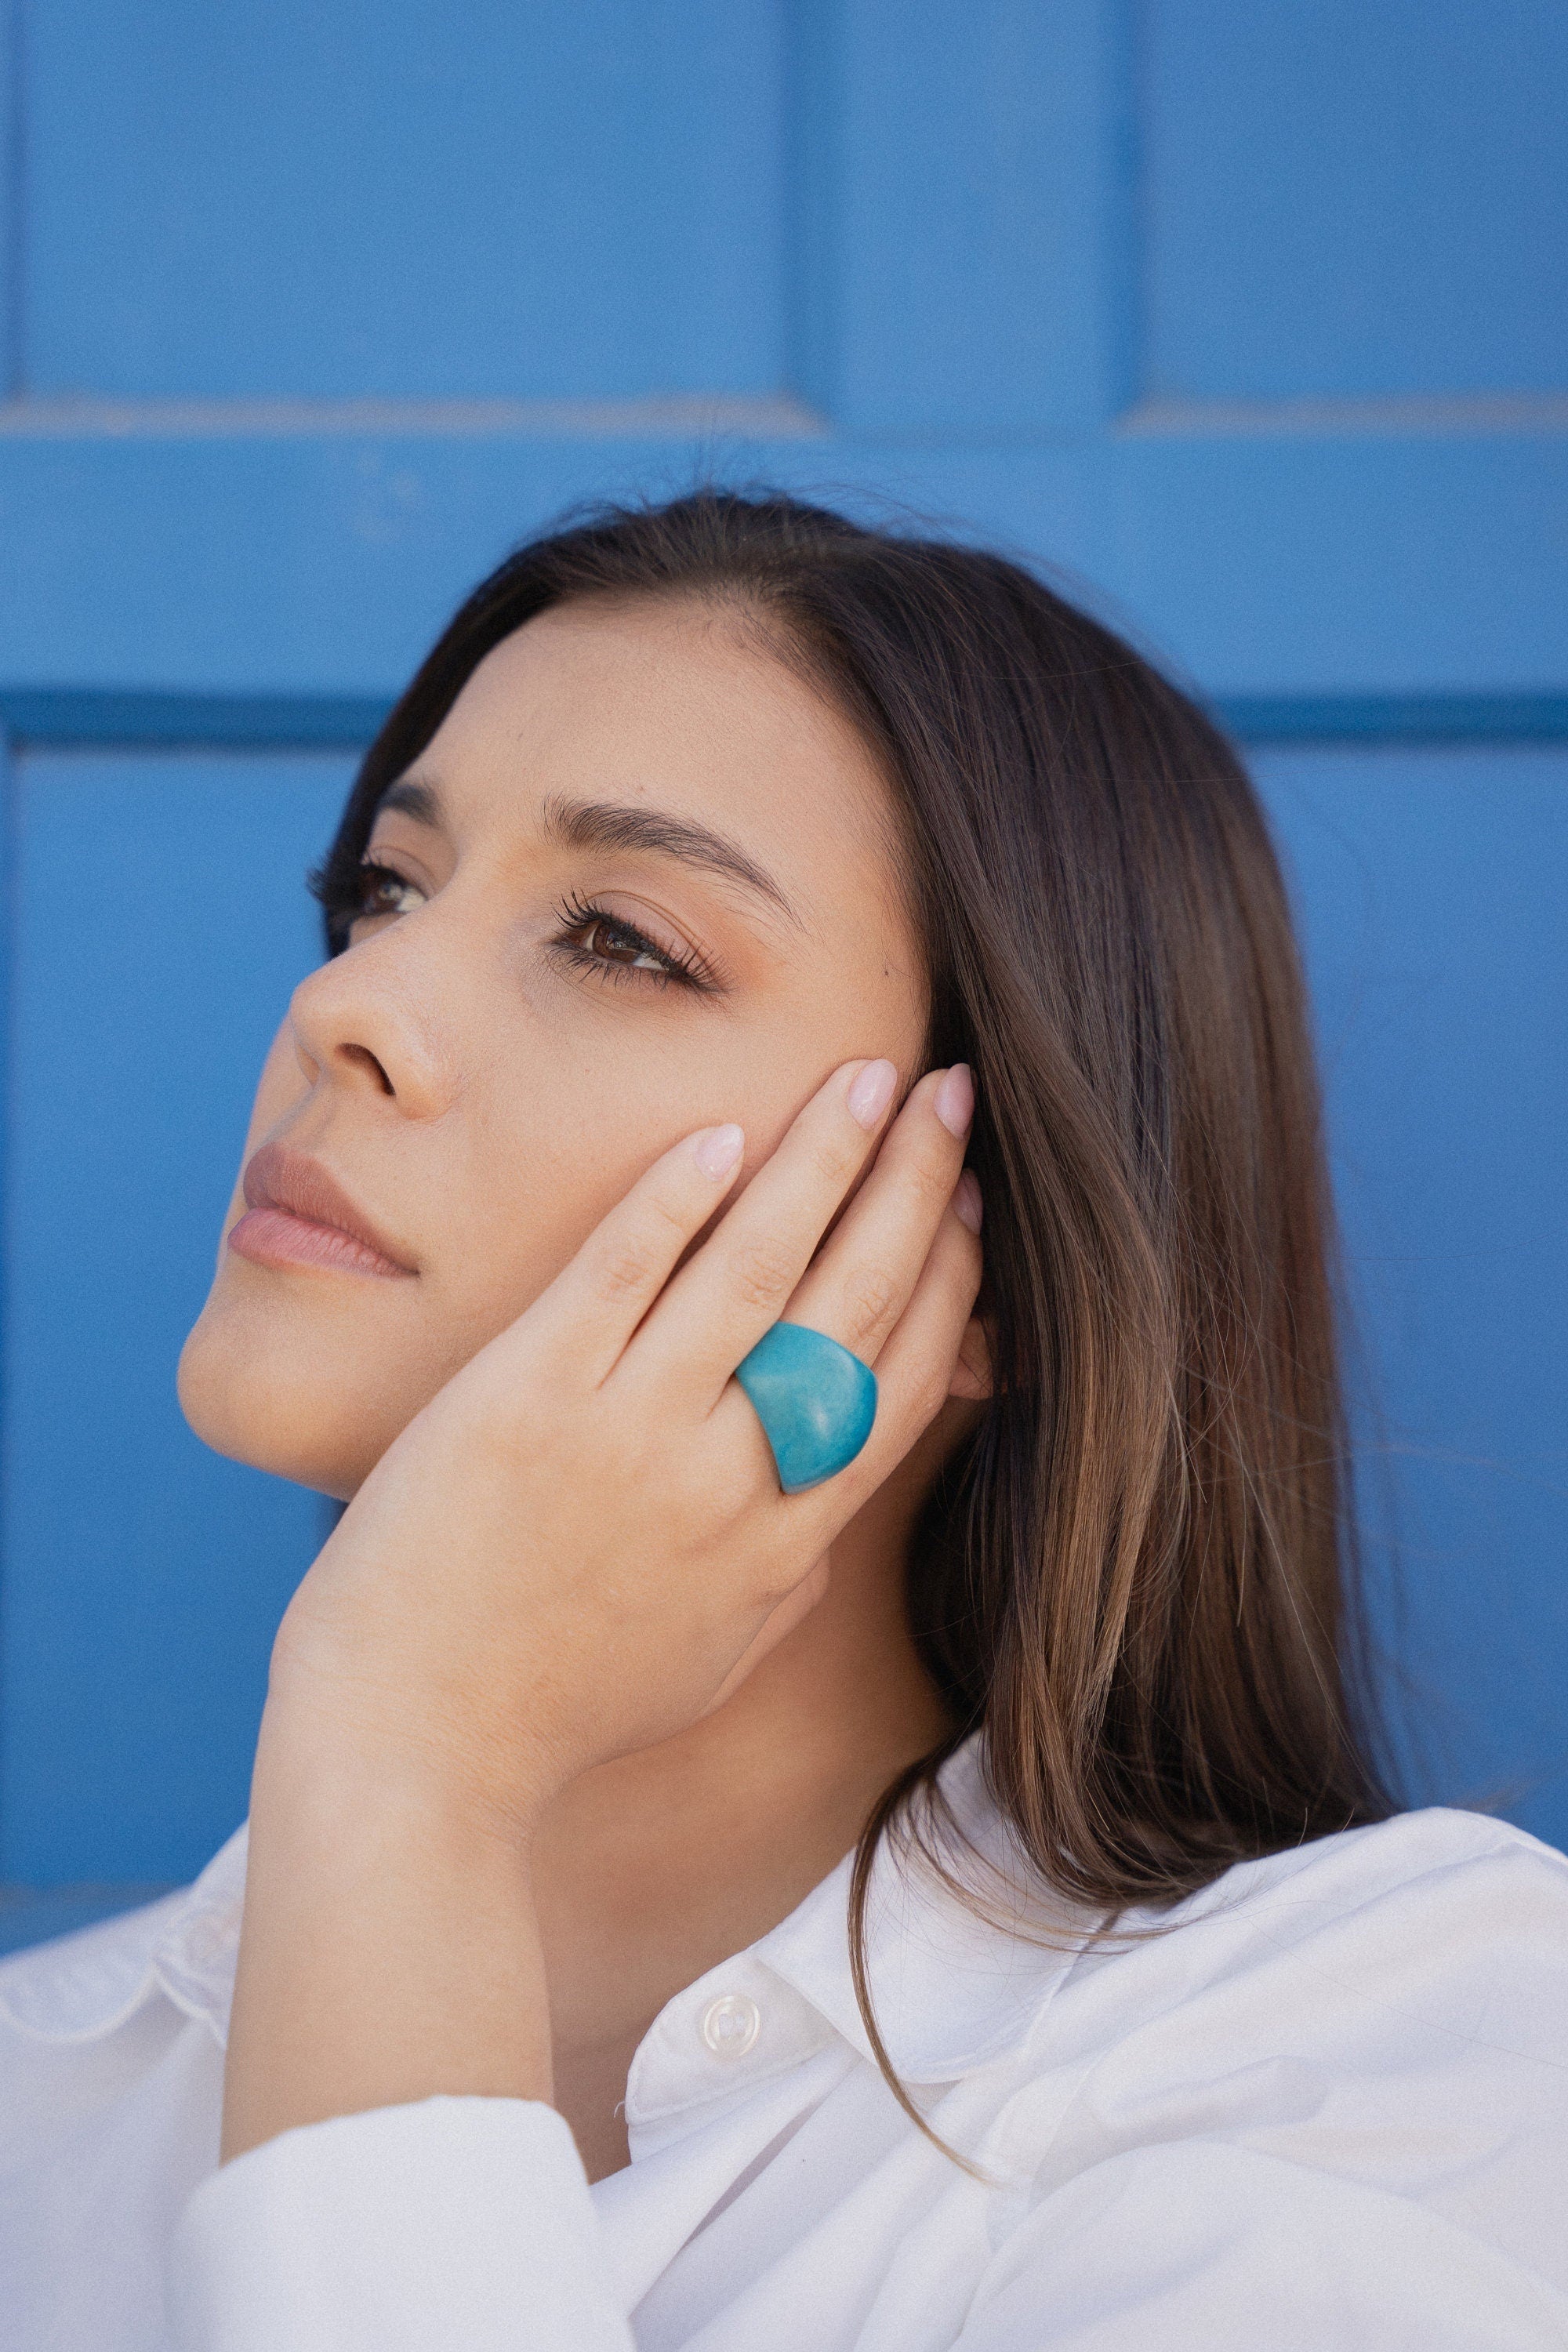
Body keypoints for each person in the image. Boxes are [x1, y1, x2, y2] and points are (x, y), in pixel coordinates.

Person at [2, 491, 1564, 2350]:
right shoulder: (41, 2097)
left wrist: (406, 1768)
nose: (347, 1003)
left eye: (620, 940)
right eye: (386, 889)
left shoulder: (1384, 2054)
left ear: (986, 1252)